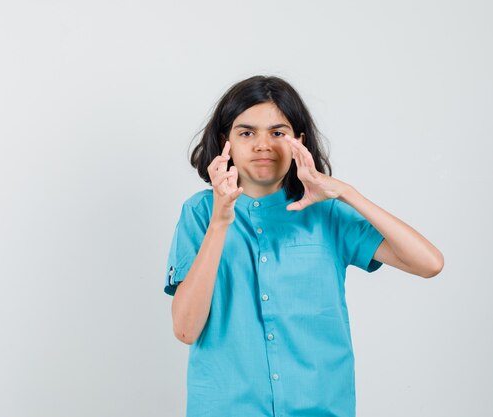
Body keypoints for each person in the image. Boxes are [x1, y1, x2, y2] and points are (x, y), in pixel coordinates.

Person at [163, 75, 444, 417]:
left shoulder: (326, 212)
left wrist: (345, 193)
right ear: (226, 142)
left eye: (278, 133)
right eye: (246, 132)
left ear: (299, 141)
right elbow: (185, 329)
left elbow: (429, 263)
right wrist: (220, 222)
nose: (262, 145)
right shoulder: (199, 213)